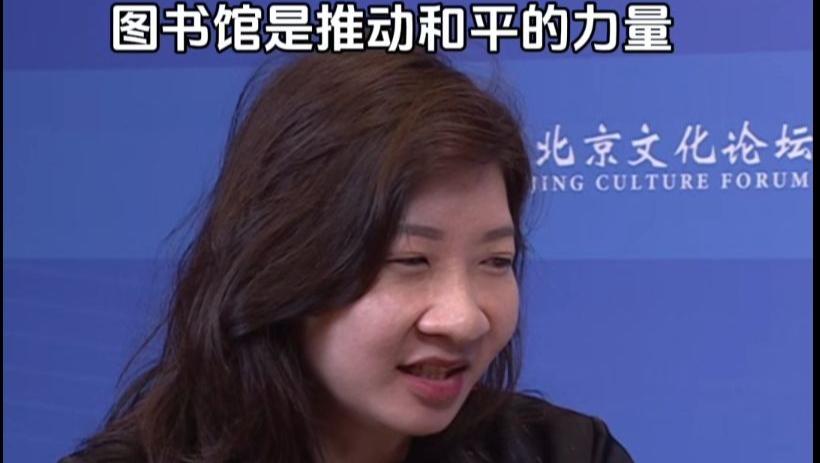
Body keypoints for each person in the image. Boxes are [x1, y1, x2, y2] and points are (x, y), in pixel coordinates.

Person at [60, 50, 633, 463]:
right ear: (284, 266)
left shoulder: (566, 452)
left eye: (496, 261)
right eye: (411, 261)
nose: (464, 319)